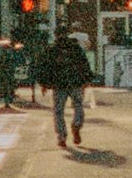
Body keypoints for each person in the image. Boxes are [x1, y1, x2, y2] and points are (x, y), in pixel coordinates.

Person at [32, 20, 95, 148]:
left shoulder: (52, 49)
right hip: (75, 82)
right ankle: (76, 125)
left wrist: (44, 84)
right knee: (78, 106)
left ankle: (62, 136)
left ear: (55, 35)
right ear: (67, 34)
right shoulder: (75, 47)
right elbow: (83, 64)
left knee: (58, 111)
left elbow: (44, 67)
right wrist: (86, 80)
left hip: (59, 84)